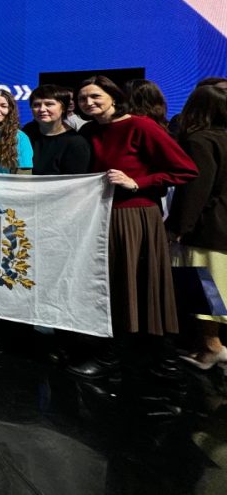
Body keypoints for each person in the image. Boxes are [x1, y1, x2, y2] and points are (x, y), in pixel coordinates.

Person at [69, 75, 198, 379]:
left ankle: (151, 360)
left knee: (138, 284)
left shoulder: (140, 126)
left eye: (95, 96)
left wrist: (138, 182)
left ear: (113, 97)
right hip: (100, 216)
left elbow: (185, 169)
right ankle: (122, 355)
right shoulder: (89, 131)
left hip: (134, 216)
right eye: (83, 98)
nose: (89, 102)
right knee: (110, 286)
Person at [166, 85, 227, 370]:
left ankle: (211, 347)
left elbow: (195, 192)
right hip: (220, 227)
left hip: (207, 229)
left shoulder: (200, 141)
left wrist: (177, 227)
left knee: (204, 290)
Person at [24, 84, 91, 175]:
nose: (42, 109)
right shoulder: (27, 133)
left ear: (63, 108)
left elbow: (74, 181)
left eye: (49, 104)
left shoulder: (76, 143)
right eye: (36, 105)